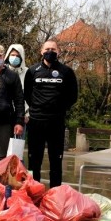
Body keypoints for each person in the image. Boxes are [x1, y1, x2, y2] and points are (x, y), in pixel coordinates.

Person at [24, 39, 78, 187]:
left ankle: (55, 193)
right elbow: (27, 94)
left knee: (56, 160)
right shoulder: (32, 71)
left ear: (58, 52)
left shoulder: (66, 72)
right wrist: (37, 107)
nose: (50, 52)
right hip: (36, 121)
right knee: (34, 160)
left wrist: (59, 108)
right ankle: (34, 191)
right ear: (41, 51)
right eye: (47, 49)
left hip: (56, 122)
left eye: (53, 49)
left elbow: (73, 96)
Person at [4, 43, 29, 124]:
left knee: (18, 137)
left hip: (21, 116)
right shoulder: (2, 71)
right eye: (12, 55)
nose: (14, 57)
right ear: (8, 56)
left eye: (17, 56)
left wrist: (27, 114)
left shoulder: (28, 73)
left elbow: (30, 95)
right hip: (3, 115)